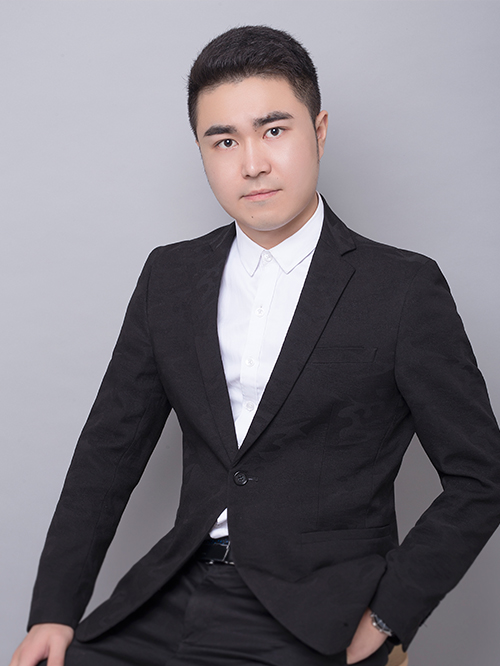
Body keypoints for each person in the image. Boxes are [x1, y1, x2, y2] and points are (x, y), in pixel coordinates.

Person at [9, 25, 500, 666]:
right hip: (172, 591)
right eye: (224, 141)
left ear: (318, 130)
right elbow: (107, 456)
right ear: (201, 152)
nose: (252, 163)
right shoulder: (170, 276)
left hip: (313, 615)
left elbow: (481, 476)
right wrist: (52, 610)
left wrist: (391, 613)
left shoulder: (402, 288)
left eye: (273, 131)